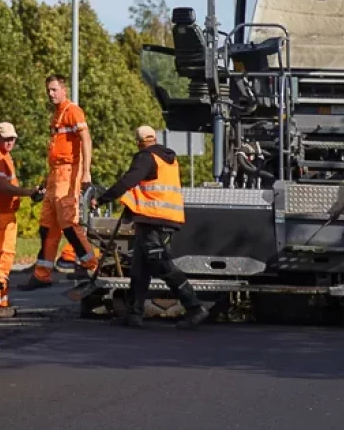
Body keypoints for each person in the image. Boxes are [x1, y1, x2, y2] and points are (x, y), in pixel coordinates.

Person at [93, 125, 208, 329]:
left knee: (161, 264)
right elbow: (147, 188)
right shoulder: (168, 159)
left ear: (139, 142)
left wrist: (102, 199)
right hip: (157, 219)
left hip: (155, 219)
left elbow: (128, 181)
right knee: (140, 267)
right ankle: (134, 313)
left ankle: (194, 307)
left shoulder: (146, 157)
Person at [19, 75, 98, 290]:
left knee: (68, 222)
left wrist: (85, 174)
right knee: (47, 225)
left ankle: (91, 265)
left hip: (68, 173)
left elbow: (86, 139)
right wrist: (46, 181)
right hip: (56, 174)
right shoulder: (57, 115)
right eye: (49, 90)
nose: (51, 94)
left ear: (64, 89)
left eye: (54, 90)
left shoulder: (72, 110)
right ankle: (42, 274)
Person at [0, 122, 41, 319]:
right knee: (0, 260)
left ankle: (0, 302)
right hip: (0, 216)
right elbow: (0, 185)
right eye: (6, 138)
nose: (10, 142)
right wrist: (27, 192)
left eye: (12, 138)